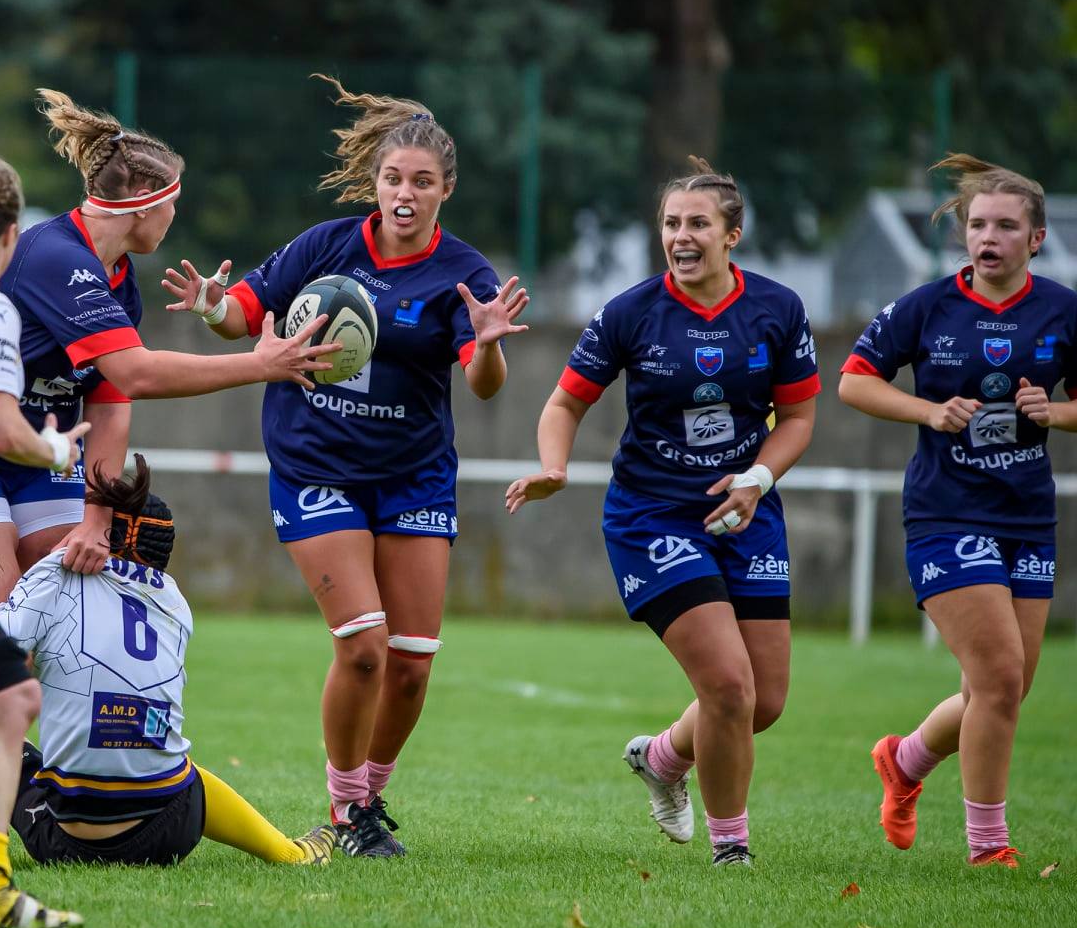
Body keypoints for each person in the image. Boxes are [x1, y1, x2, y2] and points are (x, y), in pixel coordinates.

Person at [0, 89, 336, 864]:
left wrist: (96, 519)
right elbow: (135, 370)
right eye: (175, 205)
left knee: (79, 598)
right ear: (144, 206)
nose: (175, 221)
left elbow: (111, 400)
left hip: (41, 454)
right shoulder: (62, 258)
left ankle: (11, 772)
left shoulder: (113, 272)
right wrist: (258, 365)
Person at [161, 75, 527, 858]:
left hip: (414, 472)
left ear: (445, 191)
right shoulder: (325, 246)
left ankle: (369, 801)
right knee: (363, 645)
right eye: (394, 178)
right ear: (376, 182)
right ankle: (342, 809)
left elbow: (483, 384)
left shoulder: (464, 272)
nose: (404, 193)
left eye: (421, 182)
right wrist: (210, 304)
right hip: (315, 463)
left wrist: (488, 341)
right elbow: (243, 320)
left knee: (411, 667)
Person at [506, 157, 820, 867]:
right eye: (672, 223)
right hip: (653, 519)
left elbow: (798, 418)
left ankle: (663, 756)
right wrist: (555, 465)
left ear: (731, 235)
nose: (682, 236)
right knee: (728, 686)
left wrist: (759, 477)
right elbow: (565, 402)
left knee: (762, 702)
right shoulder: (630, 312)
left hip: (748, 512)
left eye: (698, 224)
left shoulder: (777, 310)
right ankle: (731, 848)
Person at [842, 154, 1076, 868]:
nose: (989, 237)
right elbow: (853, 383)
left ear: (1035, 238)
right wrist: (929, 410)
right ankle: (987, 846)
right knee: (1000, 679)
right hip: (946, 514)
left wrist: (1058, 413)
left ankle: (905, 761)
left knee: (999, 691)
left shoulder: (1063, 310)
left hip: (1026, 516)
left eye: (1006, 226)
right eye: (978, 224)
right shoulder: (927, 307)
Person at [0, 458, 334, 868]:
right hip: (171, 832)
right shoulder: (174, 600)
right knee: (180, 770)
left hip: (65, 841)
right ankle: (287, 853)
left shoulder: (55, 575)